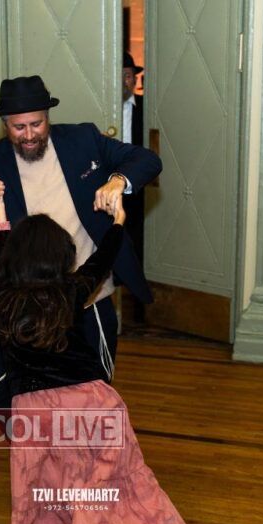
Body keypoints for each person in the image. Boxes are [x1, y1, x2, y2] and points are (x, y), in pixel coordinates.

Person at [0, 187, 189, 524]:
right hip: (91, 406)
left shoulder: (2, 297)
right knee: (106, 493)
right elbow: (101, 261)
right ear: (60, 257)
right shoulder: (69, 292)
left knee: (47, 497)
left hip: (34, 415)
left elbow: (2, 258)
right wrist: (118, 222)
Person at [0, 75, 161, 408]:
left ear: (47, 117)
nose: (29, 134)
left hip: (89, 298)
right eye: (19, 127)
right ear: (5, 125)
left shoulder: (82, 140)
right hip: (24, 311)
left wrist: (118, 181)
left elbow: (148, 160)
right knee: (14, 401)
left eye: (36, 124)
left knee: (94, 393)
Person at [122, 52, 147, 323]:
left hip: (138, 189)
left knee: (138, 241)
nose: (123, 82)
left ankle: (140, 303)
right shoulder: (100, 110)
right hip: (106, 189)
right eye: (118, 76)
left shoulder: (146, 109)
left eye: (127, 76)